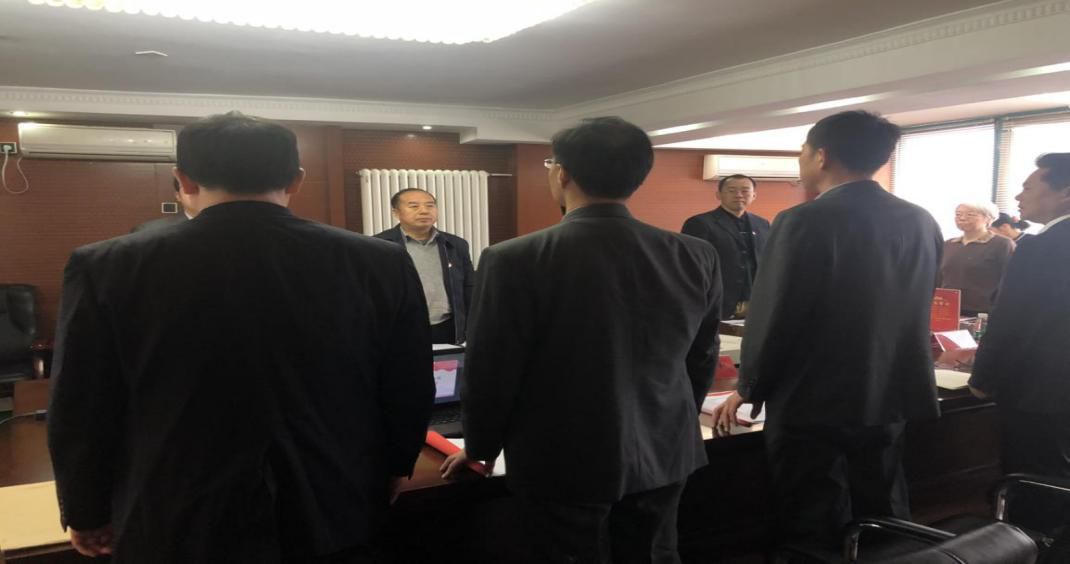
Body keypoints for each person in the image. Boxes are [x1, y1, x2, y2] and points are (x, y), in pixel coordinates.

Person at [47, 111, 435, 564]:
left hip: (174, 511)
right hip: (334, 502)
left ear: (183, 179)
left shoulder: (106, 266)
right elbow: (408, 382)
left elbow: (81, 402)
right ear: (296, 180)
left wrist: (85, 508)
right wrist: (395, 466)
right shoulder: (380, 261)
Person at [441, 117, 722, 563]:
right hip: (666, 447)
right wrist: (672, 419)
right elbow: (702, 354)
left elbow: (492, 369)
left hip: (561, 457)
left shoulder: (513, 258)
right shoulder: (695, 254)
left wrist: (479, 449)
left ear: (562, 173)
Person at [713, 111, 943, 554]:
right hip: (890, 388)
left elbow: (777, 313)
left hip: (815, 395)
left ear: (821, 155)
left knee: (814, 514)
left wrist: (749, 386)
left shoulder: (803, 220)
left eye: (802, 150)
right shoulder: (920, 219)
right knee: (883, 505)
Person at [970, 152, 1070, 479]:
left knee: (1034, 479)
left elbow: (1012, 318)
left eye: (1027, 188)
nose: (1017, 197)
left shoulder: (1040, 246)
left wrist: (982, 377)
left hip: (1040, 390)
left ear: (1065, 192)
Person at [375, 188, 474, 345]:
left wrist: (470, 328)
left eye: (430, 205)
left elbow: (469, 288)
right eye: (414, 206)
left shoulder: (455, 244)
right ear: (396, 213)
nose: (424, 211)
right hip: (400, 328)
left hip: (447, 327)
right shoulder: (379, 245)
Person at [681, 174, 771, 319]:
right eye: (732, 190)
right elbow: (690, 265)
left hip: (756, 302)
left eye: (745, 190)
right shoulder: (699, 223)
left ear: (754, 195)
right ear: (718, 195)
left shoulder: (762, 224)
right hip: (718, 302)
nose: (739, 195)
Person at [940, 201, 1015, 315]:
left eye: (970, 214)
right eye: (958, 214)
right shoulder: (948, 244)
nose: (962, 218)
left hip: (983, 312)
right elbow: (939, 277)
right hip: (948, 309)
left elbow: (1009, 280)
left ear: (988, 218)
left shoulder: (1002, 244)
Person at [130, 179, 199, 233]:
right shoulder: (147, 231)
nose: (200, 193)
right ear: (178, 196)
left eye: (204, 188)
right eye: (192, 188)